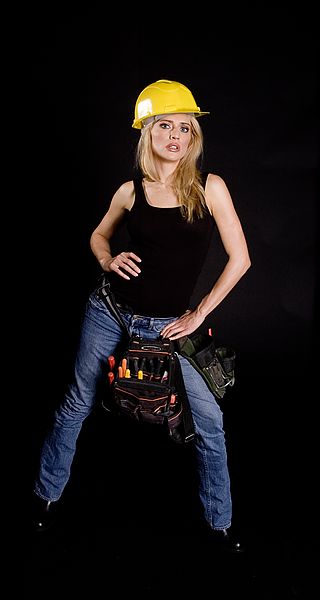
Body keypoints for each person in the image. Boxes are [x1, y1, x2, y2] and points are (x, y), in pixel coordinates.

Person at [31, 79, 251, 552]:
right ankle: (46, 496)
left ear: (194, 137)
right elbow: (97, 236)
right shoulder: (131, 190)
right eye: (164, 125)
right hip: (109, 311)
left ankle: (220, 524)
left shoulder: (209, 188)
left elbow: (241, 259)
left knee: (209, 422)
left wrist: (198, 315)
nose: (175, 135)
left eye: (185, 128)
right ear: (147, 133)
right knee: (77, 401)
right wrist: (107, 260)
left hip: (168, 327)